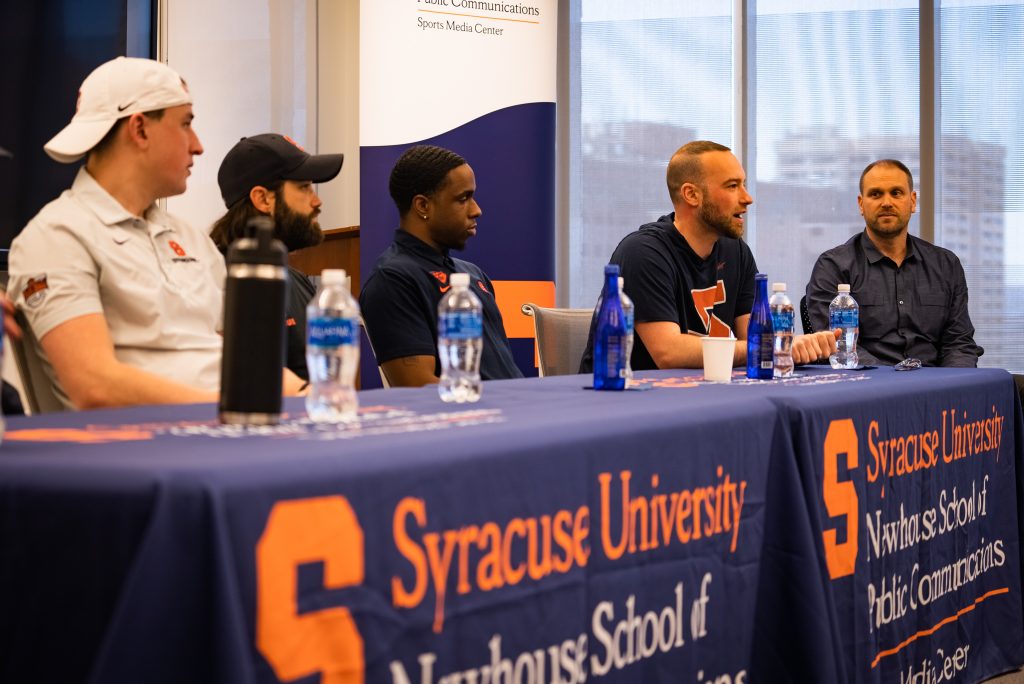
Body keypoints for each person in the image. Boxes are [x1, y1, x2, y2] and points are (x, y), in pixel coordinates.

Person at [7, 57, 301, 410]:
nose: (198, 145)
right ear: (140, 129)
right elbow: (94, 386)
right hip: (152, 447)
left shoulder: (191, 238)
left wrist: (299, 395)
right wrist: (233, 406)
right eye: (186, 124)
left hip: (233, 430)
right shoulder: (56, 237)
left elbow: (245, 361)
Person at [580, 141, 837, 373]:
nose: (747, 198)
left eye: (743, 185)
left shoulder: (736, 251)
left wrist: (792, 347)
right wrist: (772, 348)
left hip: (707, 395)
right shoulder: (643, 253)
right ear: (692, 194)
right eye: (732, 186)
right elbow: (668, 352)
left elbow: (754, 337)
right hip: (632, 406)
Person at [360, 144, 522, 387]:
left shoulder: (474, 275)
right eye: (463, 198)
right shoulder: (392, 279)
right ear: (423, 206)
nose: (477, 210)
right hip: (476, 419)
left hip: (519, 410)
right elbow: (417, 387)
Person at [805, 159, 982, 367]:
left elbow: (959, 343)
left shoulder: (945, 265)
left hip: (936, 386)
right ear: (861, 204)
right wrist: (893, 386)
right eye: (876, 194)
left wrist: (953, 386)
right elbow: (838, 345)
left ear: (913, 201)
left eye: (896, 193)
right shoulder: (833, 267)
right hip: (869, 388)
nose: (886, 202)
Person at [211, 133, 344, 381]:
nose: (317, 201)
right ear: (263, 198)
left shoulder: (296, 280)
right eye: (304, 187)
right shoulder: (217, 283)